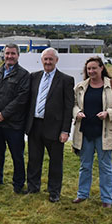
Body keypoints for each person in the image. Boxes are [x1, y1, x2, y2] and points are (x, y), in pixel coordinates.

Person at [71, 57, 112, 208]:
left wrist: (109, 113)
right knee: (85, 165)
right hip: (85, 132)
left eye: (94, 68)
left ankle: (107, 199)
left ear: (101, 68)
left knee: (105, 167)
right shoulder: (80, 87)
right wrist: (77, 113)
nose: (91, 71)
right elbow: (73, 104)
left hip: (105, 132)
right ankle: (82, 194)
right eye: (88, 69)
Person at [25, 47, 74, 202]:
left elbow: (68, 107)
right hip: (35, 125)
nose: (47, 62)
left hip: (55, 128)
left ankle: (54, 192)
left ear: (56, 60)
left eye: (50, 59)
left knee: (55, 162)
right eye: (45, 59)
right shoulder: (34, 77)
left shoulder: (66, 80)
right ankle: (33, 187)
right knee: (33, 159)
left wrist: (66, 130)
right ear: (41, 60)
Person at [0, 43, 30, 193]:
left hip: (14, 124)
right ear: (3, 54)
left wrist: (3, 114)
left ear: (18, 55)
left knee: (17, 155)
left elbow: (21, 99)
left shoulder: (24, 75)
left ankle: (18, 184)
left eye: (13, 54)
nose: (10, 56)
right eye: (7, 53)